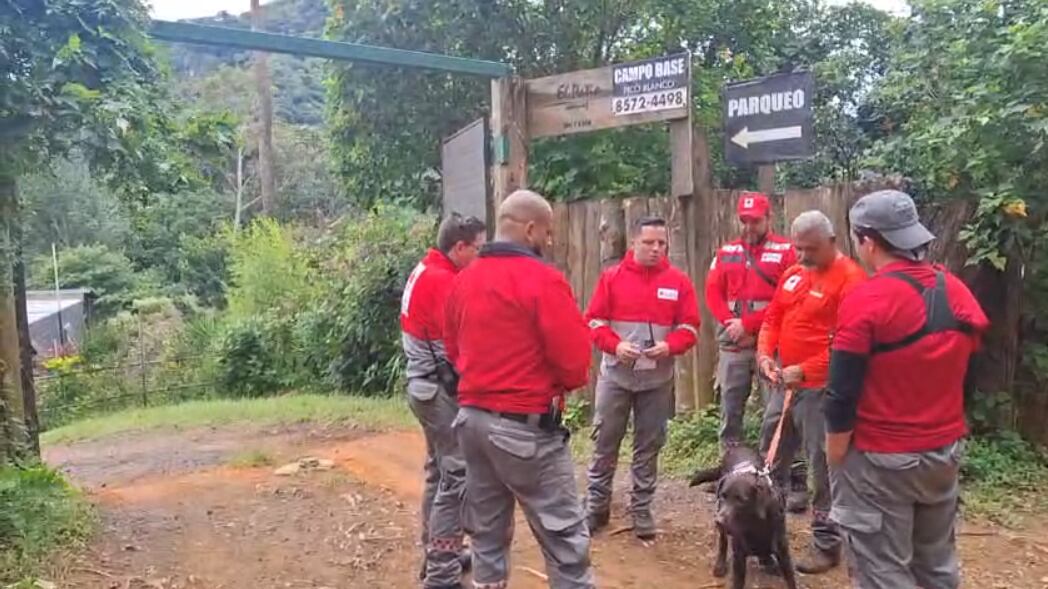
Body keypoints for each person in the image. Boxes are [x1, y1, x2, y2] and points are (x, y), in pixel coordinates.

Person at [825, 190, 989, 589]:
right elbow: (972, 367)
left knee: (883, 571)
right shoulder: (955, 290)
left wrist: (835, 450)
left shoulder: (866, 299)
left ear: (868, 241)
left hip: (879, 459)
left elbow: (842, 389)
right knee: (936, 567)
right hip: (942, 455)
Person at [444, 190, 595, 589]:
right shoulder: (543, 281)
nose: (549, 241)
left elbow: (452, 349)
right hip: (525, 430)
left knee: (487, 537)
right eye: (546, 232)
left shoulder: (464, 279)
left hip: (472, 423)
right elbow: (575, 364)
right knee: (565, 541)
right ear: (530, 229)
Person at [757, 210, 866, 574]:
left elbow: (848, 344)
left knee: (823, 465)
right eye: (798, 248)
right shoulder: (792, 273)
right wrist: (764, 356)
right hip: (783, 386)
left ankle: (826, 542)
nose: (802, 256)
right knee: (770, 460)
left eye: (810, 249)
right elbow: (772, 319)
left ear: (832, 242)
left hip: (822, 391)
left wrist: (805, 369)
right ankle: (767, 537)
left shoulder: (850, 280)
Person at [583, 216, 701, 540]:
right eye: (649, 242)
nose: (656, 249)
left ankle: (642, 510)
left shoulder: (678, 282)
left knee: (648, 446)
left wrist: (671, 345)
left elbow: (691, 327)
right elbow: (593, 321)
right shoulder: (612, 279)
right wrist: (615, 345)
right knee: (605, 443)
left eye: (661, 243)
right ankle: (596, 507)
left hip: (657, 381)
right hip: (615, 377)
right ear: (634, 242)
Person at [400, 213, 487, 589]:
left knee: (440, 473)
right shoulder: (441, 281)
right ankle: (442, 571)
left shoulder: (427, 267)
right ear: (460, 247)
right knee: (457, 478)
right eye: (479, 249)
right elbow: (452, 350)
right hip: (436, 391)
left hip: (423, 388)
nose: (481, 256)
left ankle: (437, 551)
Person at [705, 191, 806, 509]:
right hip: (733, 343)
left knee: (779, 415)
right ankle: (730, 474)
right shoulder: (726, 252)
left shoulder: (787, 252)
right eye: (744, 220)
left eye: (755, 220)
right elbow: (712, 293)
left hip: (772, 345)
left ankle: (786, 478)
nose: (749, 226)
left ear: (768, 218)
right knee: (730, 410)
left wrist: (748, 324)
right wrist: (730, 323)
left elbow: (788, 297)